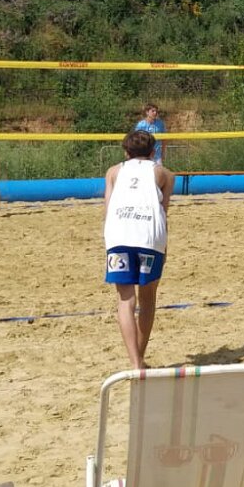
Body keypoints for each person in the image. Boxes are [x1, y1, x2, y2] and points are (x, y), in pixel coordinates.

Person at [104, 128, 172, 369]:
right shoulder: (164, 174)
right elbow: (163, 211)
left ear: (126, 152)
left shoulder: (113, 172)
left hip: (118, 235)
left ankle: (135, 363)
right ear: (153, 152)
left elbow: (108, 208)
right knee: (148, 299)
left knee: (125, 300)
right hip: (150, 237)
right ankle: (139, 359)